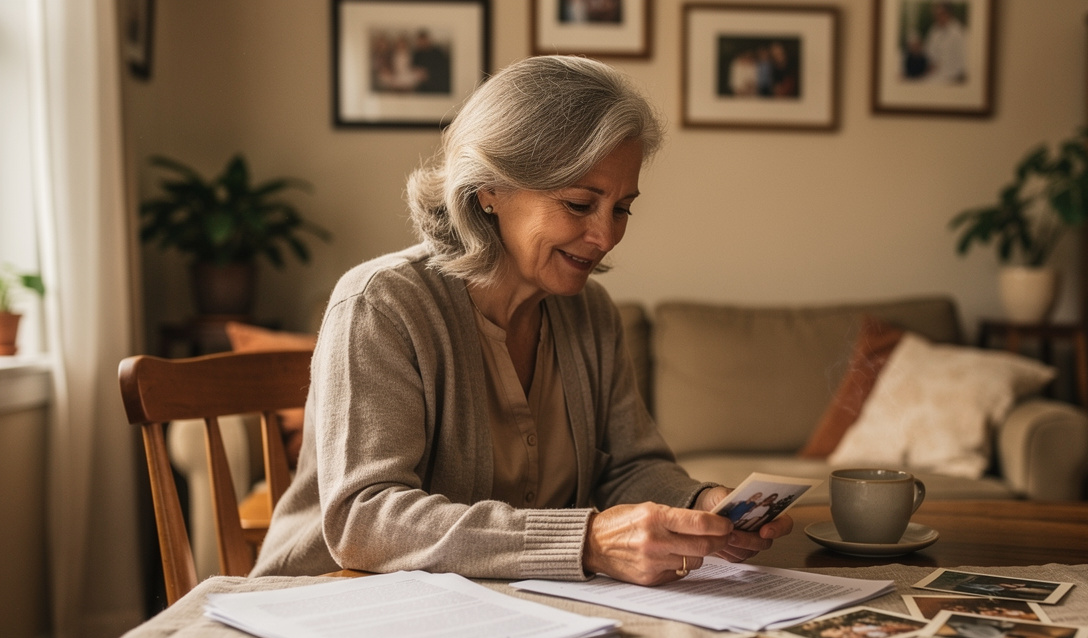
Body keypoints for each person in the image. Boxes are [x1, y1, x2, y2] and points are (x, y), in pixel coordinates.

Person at [250, 56, 792, 586]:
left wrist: (702, 506)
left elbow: (629, 466)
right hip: (333, 603)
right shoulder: (383, 304)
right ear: (491, 189)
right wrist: (587, 543)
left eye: (621, 207)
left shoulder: (591, 313)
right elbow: (366, 520)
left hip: (504, 610)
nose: (606, 236)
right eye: (580, 203)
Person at [923, 2, 967, 84]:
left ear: (948, 14)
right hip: (936, 75)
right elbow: (929, 53)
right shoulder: (933, 31)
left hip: (954, 77)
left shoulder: (958, 31)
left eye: (941, 14)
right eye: (936, 15)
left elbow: (963, 58)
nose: (938, 17)